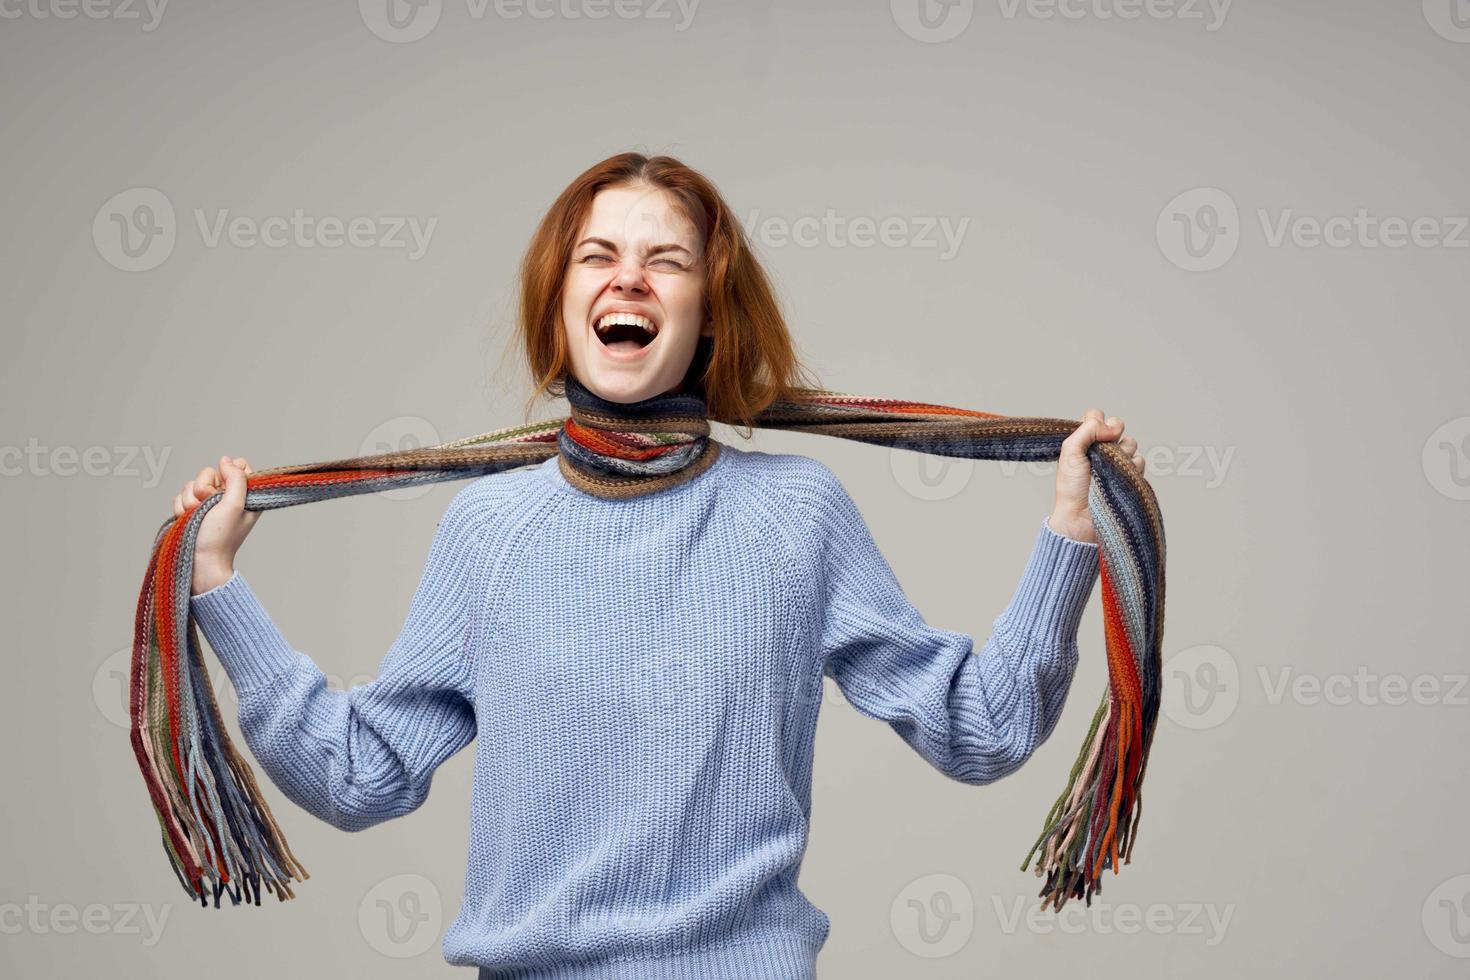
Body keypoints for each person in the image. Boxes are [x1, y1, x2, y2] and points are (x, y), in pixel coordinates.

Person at [171, 152, 1145, 979]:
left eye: (664, 260)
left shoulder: (794, 513)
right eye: (598, 255)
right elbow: (359, 774)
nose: (627, 278)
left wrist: (1070, 528)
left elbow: (981, 729)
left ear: (710, 312)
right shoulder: (490, 528)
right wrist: (219, 584)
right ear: (560, 304)